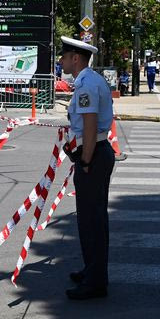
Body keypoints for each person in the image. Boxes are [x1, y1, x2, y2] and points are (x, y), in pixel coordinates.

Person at [59, 36, 115, 300]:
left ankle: (95, 281)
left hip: (95, 154)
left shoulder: (85, 86)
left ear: (75, 59)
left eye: (63, 56)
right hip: (95, 151)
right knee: (91, 218)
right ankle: (92, 270)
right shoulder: (89, 80)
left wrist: (86, 160)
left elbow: (90, 125)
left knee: (91, 221)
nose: (61, 61)